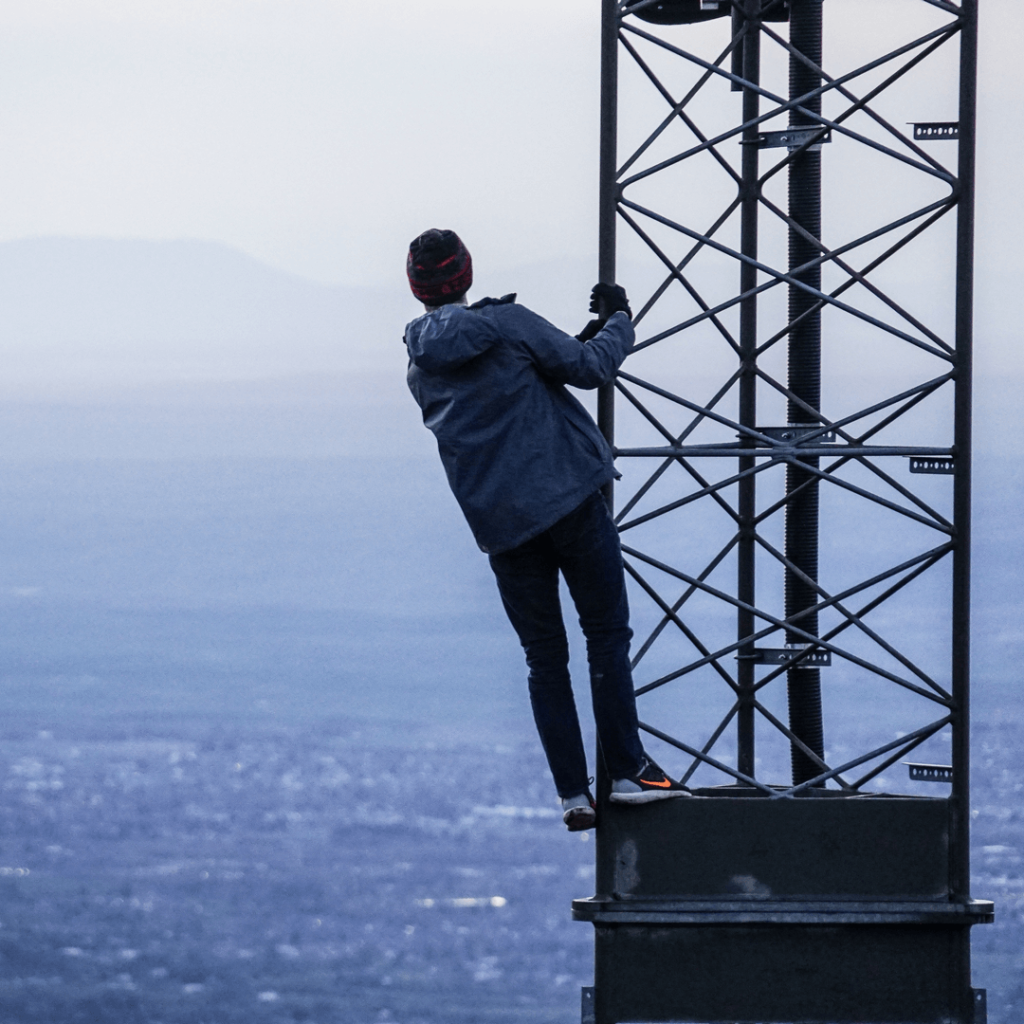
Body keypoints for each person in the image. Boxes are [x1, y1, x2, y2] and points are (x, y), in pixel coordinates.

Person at [402, 228, 688, 831]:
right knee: (605, 634)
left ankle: (573, 794)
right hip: (570, 503)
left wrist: (570, 341)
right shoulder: (506, 322)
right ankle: (629, 771)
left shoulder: (419, 366)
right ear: (467, 273)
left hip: (504, 529)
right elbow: (588, 370)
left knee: (544, 657)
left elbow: (511, 388)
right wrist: (620, 320)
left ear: (417, 288)